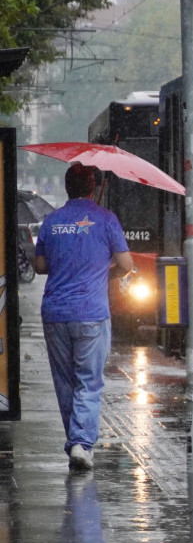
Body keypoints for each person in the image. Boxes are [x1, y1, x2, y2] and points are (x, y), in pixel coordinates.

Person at [33, 164, 133, 471]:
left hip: (55, 313)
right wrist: (101, 267)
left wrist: (66, 263)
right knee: (89, 382)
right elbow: (126, 263)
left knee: (65, 382)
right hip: (90, 313)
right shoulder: (106, 220)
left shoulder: (51, 221)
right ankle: (81, 443)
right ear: (93, 187)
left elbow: (39, 266)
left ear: (67, 188)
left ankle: (75, 441)